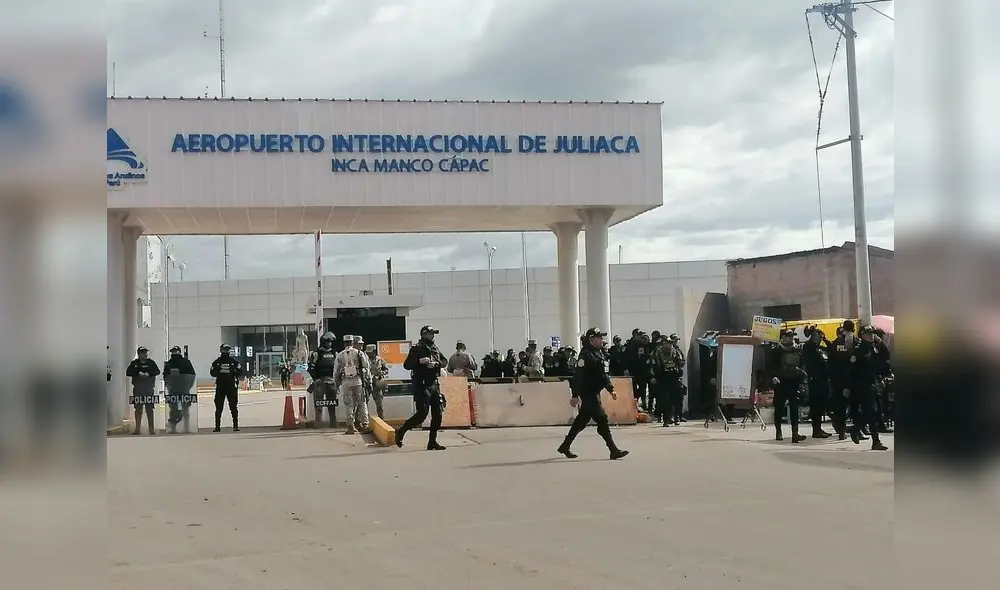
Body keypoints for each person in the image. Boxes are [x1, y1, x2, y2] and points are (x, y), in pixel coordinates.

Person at [557, 327, 629, 460]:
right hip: (588, 393)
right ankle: (613, 450)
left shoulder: (598, 353)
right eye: (599, 337)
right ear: (591, 340)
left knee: (581, 421)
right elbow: (578, 376)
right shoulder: (585, 355)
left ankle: (565, 446)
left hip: (595, 392)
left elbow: (602, 374)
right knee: (602, 419)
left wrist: (610, 389)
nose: (602, 339)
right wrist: (575, 395)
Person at [396, 325, 449, 450]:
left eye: (433, 334)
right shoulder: (416, 349)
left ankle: (432, 441)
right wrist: (419, 361)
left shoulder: (435, 348)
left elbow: (445, 361)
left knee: (438, 414)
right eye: (431, 334)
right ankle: (401, 431)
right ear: (424, 335)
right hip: (421, 384)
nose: (433, 336)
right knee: (422, 414)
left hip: (433, 384)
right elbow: (407, 365)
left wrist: (436, 363)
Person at [849, 325, 889, 450]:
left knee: (874, 412)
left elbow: (885, 357)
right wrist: (848, 386)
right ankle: (874, 440)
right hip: (862, 385)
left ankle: (857, 429)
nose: (872, 336)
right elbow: (852, 369)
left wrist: (881, 342)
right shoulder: (860, 349)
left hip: (872, 383)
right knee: (872, 411)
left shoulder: (873, 348)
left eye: (873, 333)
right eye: (869, 334)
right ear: (862, 335)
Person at [768, 329, 808, 443]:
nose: (790, 338)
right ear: (783, 337)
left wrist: (802, 376)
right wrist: (773, 377)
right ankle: (778, 431)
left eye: (791, 336)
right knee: (779, 408)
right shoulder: (777, 350)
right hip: (781, 382)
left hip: (793, 382)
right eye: (787, 336)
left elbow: (802, 365)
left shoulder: (797, 349)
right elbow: (770, 365)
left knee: (794, 409)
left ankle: (795, 434)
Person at [801, 325, 833, 438]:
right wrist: (812, 332)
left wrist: (826, 340)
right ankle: (816, 430)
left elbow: (831, 350)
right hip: (815, 381)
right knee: (816, 407)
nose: (820, 339)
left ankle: (819, 428)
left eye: (821, 337)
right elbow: (809, 358)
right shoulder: (809, 347)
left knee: (821, 406)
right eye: (818, 336)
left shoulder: (820, 348)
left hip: (823, 381)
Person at [335, 334, 371, 434]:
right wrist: (367, 380)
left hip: (346, 382)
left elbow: (336, 372)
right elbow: (366, 367)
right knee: (362, 403)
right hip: (358, 381)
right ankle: (365, 425)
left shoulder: (340, 355)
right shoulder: (359, 353)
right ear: (352, 342)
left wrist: (336, 385)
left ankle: (350, 426)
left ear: (344, 343)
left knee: (349, 405)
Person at [125, 346, 160, 435]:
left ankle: (151, 429)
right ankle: (137, 429)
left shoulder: (151, 363)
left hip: (148, 389)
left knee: (149, 409)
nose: (145, 354)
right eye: (143, 352)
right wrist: (138, 372)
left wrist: (149, 373)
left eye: (146, 352)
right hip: (138, 389)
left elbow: (157, 371)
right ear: (139, 354)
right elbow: (128, 372)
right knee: (138, 409)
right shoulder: (135, 363)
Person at [308, 332, 339, 427]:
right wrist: (316, 379)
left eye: (331, 342)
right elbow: (310, 368)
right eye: (327, 341)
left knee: (332, 403)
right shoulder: (317, 353)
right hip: (320, 381)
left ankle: (333, 422)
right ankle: (318, 422)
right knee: (319, 403)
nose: (329, 343)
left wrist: (337, 380)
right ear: (323, 342)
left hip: (331, 382)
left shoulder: (335, 353)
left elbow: (338, 368)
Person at [209, 343, 243, 432]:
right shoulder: (217, 362)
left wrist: (233, 373)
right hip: (220, 387)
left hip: (231, 386)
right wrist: (219, 373)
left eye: (227, 350)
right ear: (221, 351)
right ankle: (217, 427)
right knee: (219, 407)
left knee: (233, 407)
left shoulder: (234, 362)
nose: (226, 352)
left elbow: (240, 371)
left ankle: (235, 426)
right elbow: (212, 372)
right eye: (224, 350)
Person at [163, 345, 196, 434]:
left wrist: (188, 386)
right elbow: (165, 376)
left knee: (185, 409)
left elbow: (192, 375)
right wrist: (169, 385)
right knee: (173, 409)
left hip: (183, 389)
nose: (174, 353)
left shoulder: (185, 362)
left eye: (175, 351)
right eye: (173, 352)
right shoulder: (169, 363)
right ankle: (173, 428)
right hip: (173, 389)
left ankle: (187, 427)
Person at [366, 344, 389, 420]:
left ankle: (381, 419)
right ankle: (365, 421)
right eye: (368, 352)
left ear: (374, 351)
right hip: (368, 383)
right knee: (364, 403)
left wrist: (381, 373)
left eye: (370, 352)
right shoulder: (365, 359)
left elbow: (386, 370)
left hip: (377, 383)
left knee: (379, 404)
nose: (369, 354)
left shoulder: (380, 359)